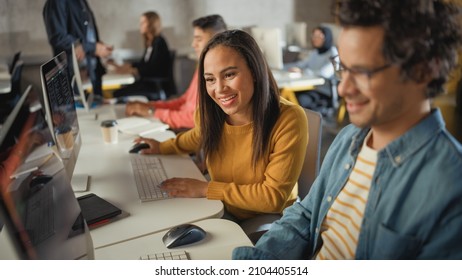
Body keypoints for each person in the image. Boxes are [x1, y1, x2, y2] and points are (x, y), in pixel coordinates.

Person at [233, 0, 462, 260]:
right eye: (343, 67)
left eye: (363, 72)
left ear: (423, 70)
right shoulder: (349, 138)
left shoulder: (451, 188)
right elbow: (306, 215)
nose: (343, 89)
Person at [133, 30, 308, 222]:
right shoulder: (211, 112)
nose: (219, 89)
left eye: (229, 74)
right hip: (222, 206)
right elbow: (197, 136)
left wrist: (204, 189)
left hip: (269, 219)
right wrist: (162, 146)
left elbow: (271, 198)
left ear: (255, 71)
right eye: (210, 79)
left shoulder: (289, 119)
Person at [125, 14, 227, 130]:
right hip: (183, 128)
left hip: (191, 135)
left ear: (218, 40)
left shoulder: (218, 77)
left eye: (199, 39)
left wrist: (152, 111)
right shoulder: (202, 66)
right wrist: (151, 106)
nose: (193, 44)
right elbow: (184, 101)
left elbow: (194, 119)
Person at [43, 0, 113, 98]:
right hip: (74, 78)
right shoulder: (57, 2)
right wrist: (90, 47)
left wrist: (98, 46)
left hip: (91, 74)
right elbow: (57, 37)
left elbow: (86, 33)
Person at [111, 11, 172, 100]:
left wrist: (133, 70)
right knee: (120, 89)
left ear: (151, 24)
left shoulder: (159, 42)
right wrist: (127, 67)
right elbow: (143, 64)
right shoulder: (150, 43)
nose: (140, 25)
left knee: (118, 93)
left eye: (143, 23)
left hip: (154, 85)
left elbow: (154, 68)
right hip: (148, 82)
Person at [285, 26, 338, 114]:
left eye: (319, 36)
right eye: (314, 36)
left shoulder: (333, 53)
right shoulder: (314, 52)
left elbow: (324, 73)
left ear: (327, 37)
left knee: (299, 99)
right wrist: (283, 66)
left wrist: (302, 71)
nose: (315, 39)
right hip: (311, 87)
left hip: (324, 92)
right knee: (288, 96)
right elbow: (300, 65)